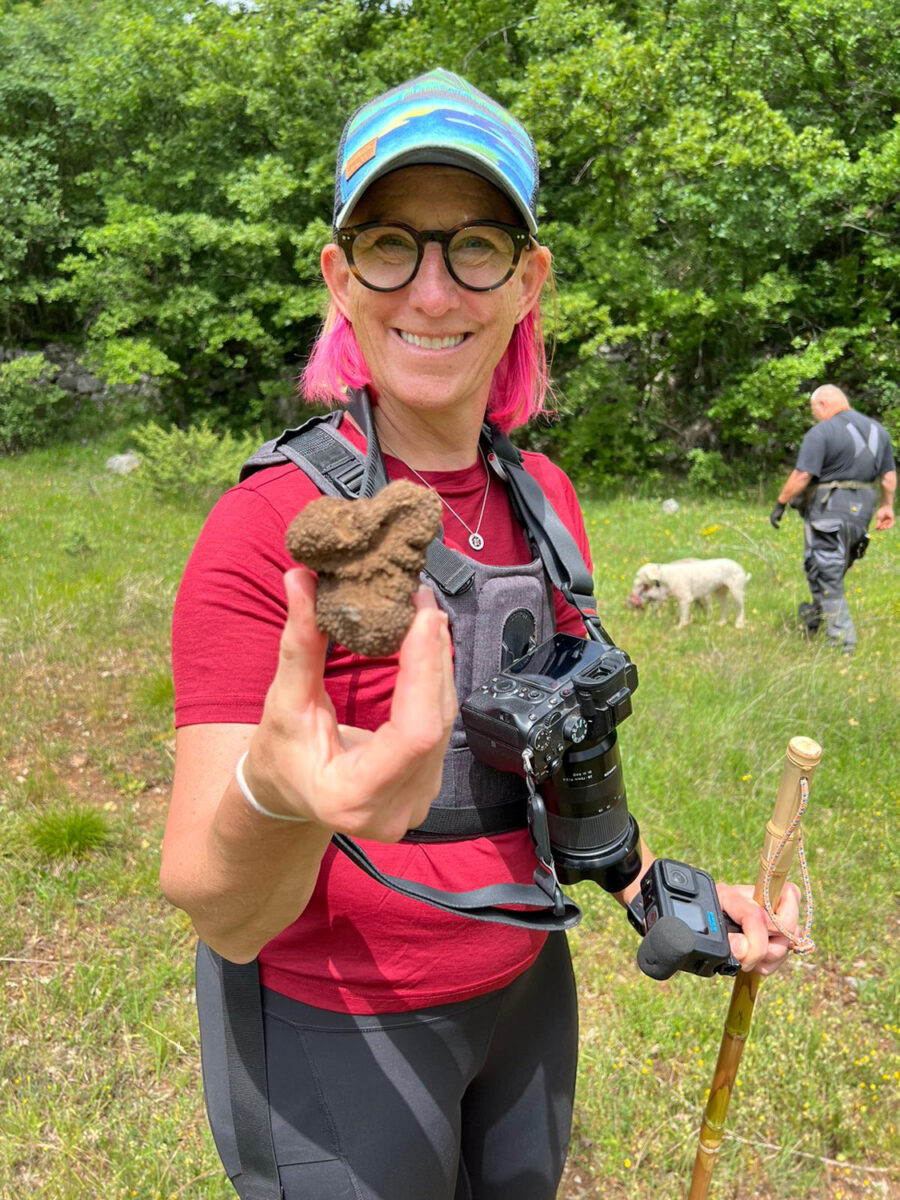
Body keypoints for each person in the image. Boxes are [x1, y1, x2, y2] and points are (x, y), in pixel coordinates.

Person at [161, 69, 800, 1200]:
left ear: (528, 280)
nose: (434, 289)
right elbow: (219, 902)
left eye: (476, 248)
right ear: (340, 276)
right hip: (337, 1022)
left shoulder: (543, 496)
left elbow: (561, 753)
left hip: (523, 994)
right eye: (392, 244)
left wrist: (661, 894)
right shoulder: (268, 526)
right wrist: (281, 795)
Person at [770, 384, 896, 653]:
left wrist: (780, 503)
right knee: (829, 569)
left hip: (830, 510)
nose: (814, 415)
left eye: (813, 409)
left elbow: (802, 475)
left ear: (823, 404)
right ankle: (814, 617)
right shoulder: (879, 431)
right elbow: (888, 477)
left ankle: (843, 645)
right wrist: (887, 507)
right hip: (862, 511)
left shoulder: (822, 432)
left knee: (827, 571)